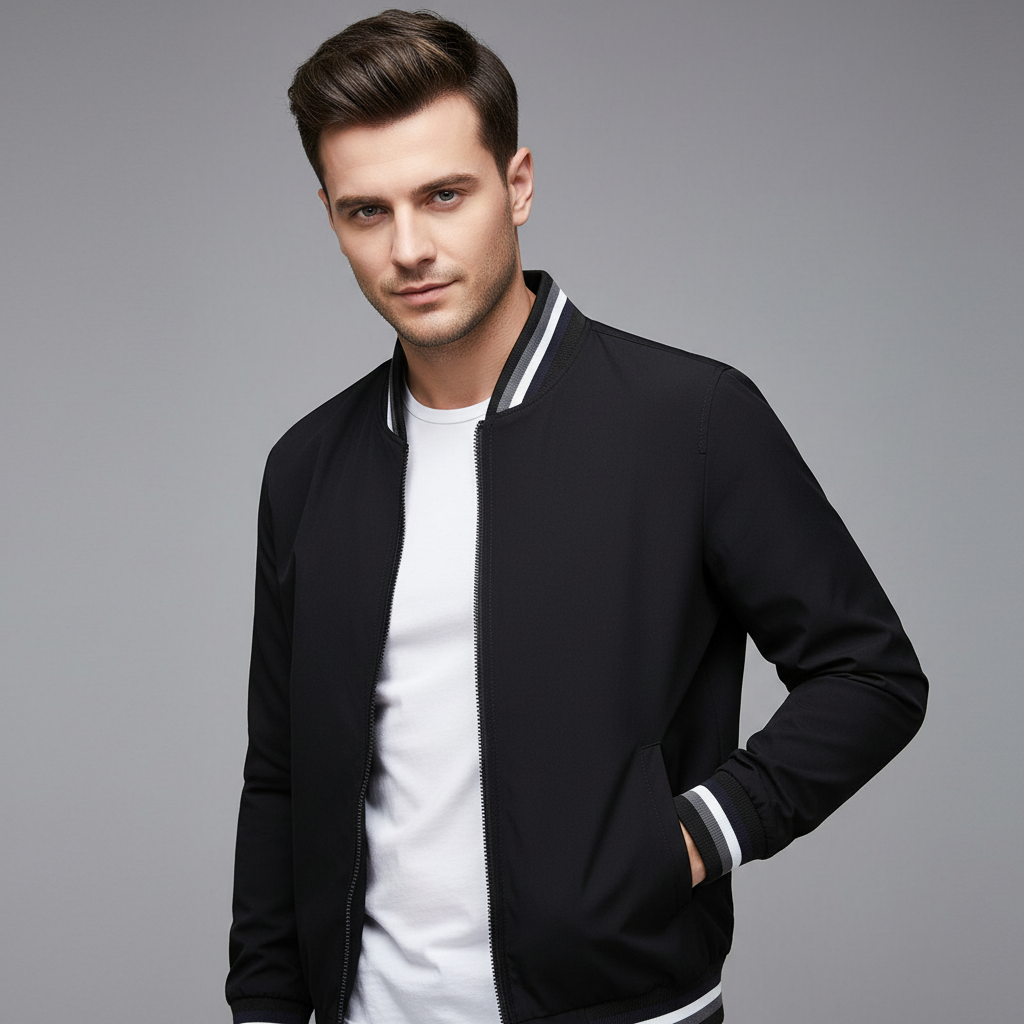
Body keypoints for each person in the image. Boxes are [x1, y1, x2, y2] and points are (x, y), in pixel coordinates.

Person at [225, 10, 927, 1024]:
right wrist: (262, 1010)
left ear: (517, 185)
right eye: (366, 211)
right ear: (330, 216)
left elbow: (870, 675)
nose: (409, 248)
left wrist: (696, 835)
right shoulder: (307, 468)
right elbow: (280, 778)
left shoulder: (689, 420)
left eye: (444, 195)